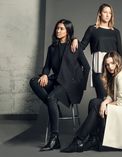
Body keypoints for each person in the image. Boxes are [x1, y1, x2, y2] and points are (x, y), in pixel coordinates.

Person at [61, 51, 122, 153]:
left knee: (96, 105)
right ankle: (90, 139)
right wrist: (104, 102)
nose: (110, 67)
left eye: (112, 63)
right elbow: (112, 95)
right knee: (94, 102)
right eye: (107, 64)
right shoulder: (115, 75)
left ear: (118, 62)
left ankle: (79, 140)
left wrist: (105, 105)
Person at [29, 19, 90, 151]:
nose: (58, 31)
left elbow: (87, 67)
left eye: (61, 28)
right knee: (34, 81)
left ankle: (54, 138)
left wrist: (81, 86)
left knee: (51, 98)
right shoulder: (52, 48)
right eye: (57, 28)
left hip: (71, 85)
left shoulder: (74, 45)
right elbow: (47, 67)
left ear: (68, 31)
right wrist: (45, 74)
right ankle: (54, 106)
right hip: (57, 81)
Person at [71, 3, 122, 99]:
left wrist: (121, 69)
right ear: (100, 13)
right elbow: (81, 46)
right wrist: (74, 39)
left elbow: (120, 52)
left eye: (110, 13)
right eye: (105, 12)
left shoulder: (115, 32)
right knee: (102, 98)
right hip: (98, 68)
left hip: (114, 69)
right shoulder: (92, 29)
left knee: (114, 99)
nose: (107, 15)